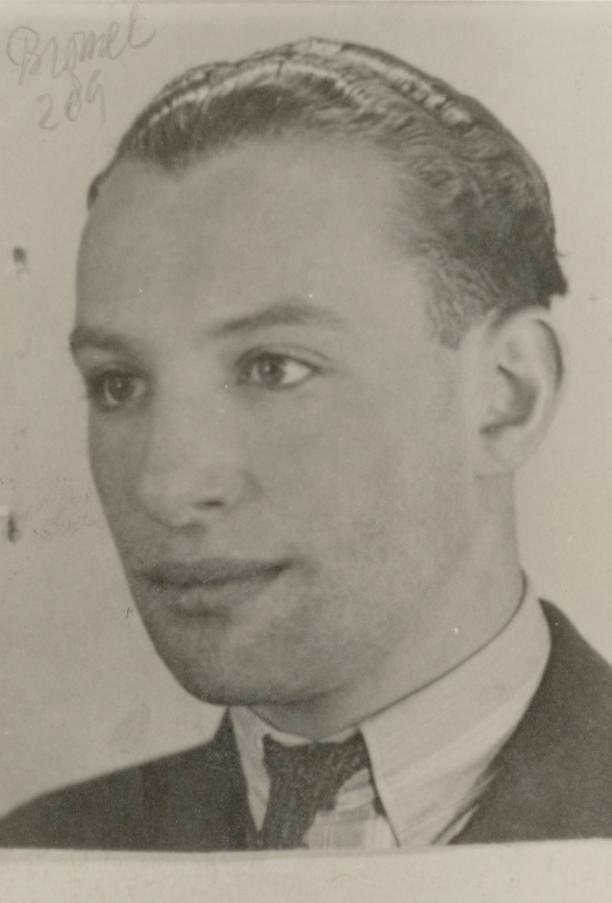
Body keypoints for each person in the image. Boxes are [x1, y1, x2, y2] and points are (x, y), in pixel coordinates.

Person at [1, 36, 610, 852]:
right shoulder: (41, 856)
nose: (165, 484)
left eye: (272, 368)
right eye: (118, 383)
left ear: (507, 397)